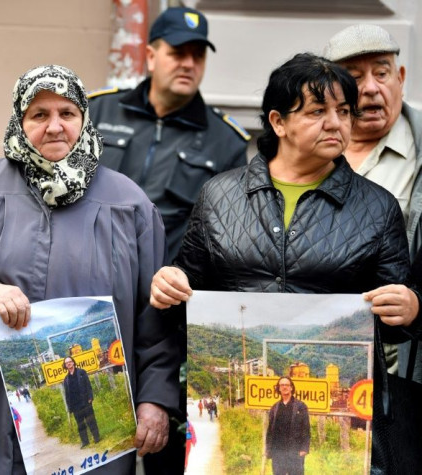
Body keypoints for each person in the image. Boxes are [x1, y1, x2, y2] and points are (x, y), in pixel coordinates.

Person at [149, 53, 420, 474]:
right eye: (317, 111)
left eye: (343, 111)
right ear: (278, 122)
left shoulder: (377, 207)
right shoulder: (220, 195)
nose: (336, 123)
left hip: (339, 447)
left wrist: (410, 307)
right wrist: (170, 282)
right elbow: (188, 283)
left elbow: (395, 320)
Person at [0, 64, 179, 474]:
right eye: (39, 115)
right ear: (20, 122)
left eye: (67, 114)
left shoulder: (131, 206)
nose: (54, 127)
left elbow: (155, 322)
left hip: (94, 428)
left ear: (84, 120)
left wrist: (155, 400)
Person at [88, 6, 249, 264]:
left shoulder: (226, 141)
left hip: (165, 286)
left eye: (198, 56)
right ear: (150, 57)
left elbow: (229, 234)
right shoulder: (97, 112)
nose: (188, 64)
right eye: (177, 53)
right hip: (88, 267)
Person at [324, 25, 422, 383]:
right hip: (325, 350)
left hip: (403, 364)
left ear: (400, 77)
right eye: (354, 77)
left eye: (381, 73)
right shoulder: (305, 154)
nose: (369, 87)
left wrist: (417, 306)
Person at [265, 377, 310, 475]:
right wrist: (268, 449)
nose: (284, 387)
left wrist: (304, 449)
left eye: (287, 385)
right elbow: (270, 431)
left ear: (291, 388)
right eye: (282, 385)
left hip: (295, 451)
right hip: (278, 452)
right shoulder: (275, 408)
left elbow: (306, 429)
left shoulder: (300, 406)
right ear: (279, 388)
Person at [62, 356, 100, 448]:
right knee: (80, 424)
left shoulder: (81, 372)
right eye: (67, 363)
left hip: (85, 402)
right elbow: (67, 395)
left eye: (70, 361)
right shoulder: (66, 379)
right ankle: (85, 441)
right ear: (65, 366)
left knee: (91, 420)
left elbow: (88, 385)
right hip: (75, 406)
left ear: (73, 362)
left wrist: (90, 397)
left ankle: (96, 437)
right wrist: (69, 407)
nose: (69, 364)